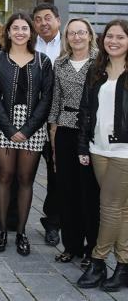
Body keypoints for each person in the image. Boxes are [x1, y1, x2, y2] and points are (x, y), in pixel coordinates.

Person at [0, 13, 53, 256]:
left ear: (31, 32)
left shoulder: (43, 61)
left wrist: (26, 130)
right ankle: (3, 230)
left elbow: (46, 98)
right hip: (2, 123)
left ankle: (22, 232)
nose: (19, 32)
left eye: (24, 28)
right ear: (7, 32)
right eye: (15, 28)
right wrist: (9, 129)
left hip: (33, 126)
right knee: (5, 176)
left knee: (26, 179)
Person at [76, 19, 128, 292]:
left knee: (108, 207)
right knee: (122, 210)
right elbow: (86, 111)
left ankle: (97, 261)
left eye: (120, 37)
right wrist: (83, 145)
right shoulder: (97, 70)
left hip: (125, 152)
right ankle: (123, 265)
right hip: (99, 149)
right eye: (110, 36)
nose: (114, 41)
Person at [48, 18, 99, 267]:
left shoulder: (100, 63)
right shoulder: (60, 64)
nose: (77, 37)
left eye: (81, 32)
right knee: (66, 191)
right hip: (66, 130)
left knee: (88, 193)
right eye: (72, 34)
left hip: (91, 131)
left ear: (90, 35)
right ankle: (71, 246)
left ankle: (92, 250)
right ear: (66, 38)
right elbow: (56, 103)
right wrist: (54, 139)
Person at [32, 3, 62, 247]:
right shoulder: (29, 45)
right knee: (20, 172)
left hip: (59, 123)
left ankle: (53, 223)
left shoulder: (69, 46)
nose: (43, 23)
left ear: (58, 20)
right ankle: (10, 218)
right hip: (30, 120)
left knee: (56, 175)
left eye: (48, 18)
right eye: (38, 19)